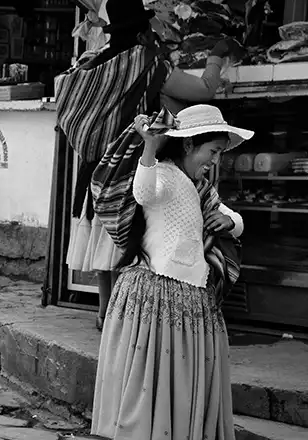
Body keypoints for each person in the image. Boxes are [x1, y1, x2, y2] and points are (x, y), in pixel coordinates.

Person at [92, 104, 251, 440]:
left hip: (187, 297)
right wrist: (149, 148)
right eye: (211, 152)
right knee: (152, 385)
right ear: (190, 144)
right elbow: (142, 192)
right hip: (157, 295)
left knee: (167, 388)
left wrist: (228, 223)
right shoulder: (162, 175)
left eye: (218, 155)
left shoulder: (199, 188)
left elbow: (235, 218)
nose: (214, 162)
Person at [65, 0, 233, 329]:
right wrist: (216, 55)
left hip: (98, 165)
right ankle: (124, 316)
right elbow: (204, 90)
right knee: (128, 235)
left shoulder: (94, 64)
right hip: (132, 162)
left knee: (106, 232)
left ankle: (104, 311)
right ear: (143, 32)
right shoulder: (149, 65)